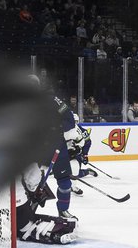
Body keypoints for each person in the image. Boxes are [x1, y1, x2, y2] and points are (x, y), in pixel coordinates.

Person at [29, 74, 80, 221]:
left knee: (64, 181)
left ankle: (63, 211)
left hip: (56, 146)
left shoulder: (53, 100)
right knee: (28, 181)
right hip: (34, 147)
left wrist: (55, 129)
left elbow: (69, 118)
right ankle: (25, 211)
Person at [69, 113, 98, 197]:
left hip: (77, 154)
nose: (74, 123)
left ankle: (88, 171)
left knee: (75, 173)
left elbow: (88, 142)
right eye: (73, 121)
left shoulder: (83, 131)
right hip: (67, 153)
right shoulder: (65, 129)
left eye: (76, 121)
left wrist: (84, 155)